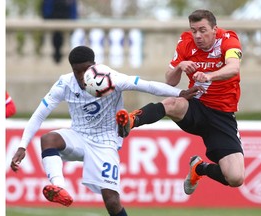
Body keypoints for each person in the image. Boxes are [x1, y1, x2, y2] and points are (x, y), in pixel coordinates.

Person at [10, 46, 203, 215]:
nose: (82, 76)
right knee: (48, 139)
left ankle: (125, 123)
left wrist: (179, 93)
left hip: (106, 141)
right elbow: (39, 114)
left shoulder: (111, 78)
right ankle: (59, 187)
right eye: (77, 71)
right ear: (72, 69)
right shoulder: (64, 84)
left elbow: (147, 85)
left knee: (111, 200)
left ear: (94, 64)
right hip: (78, 135)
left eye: (86, 69)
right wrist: (22, 145)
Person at [116, 9, 245, 196]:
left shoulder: (228, 39)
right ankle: (131, 120)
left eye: (202, 30)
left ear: (215, 29)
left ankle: (199, 168)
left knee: (235, 178)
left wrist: (209, 76)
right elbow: (170, 81)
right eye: (194, 30)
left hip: (222, 117)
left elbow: (233, 68)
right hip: (196, 107)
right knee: (173, 102)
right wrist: (179, 66)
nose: (198, 36)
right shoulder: (186, 43)